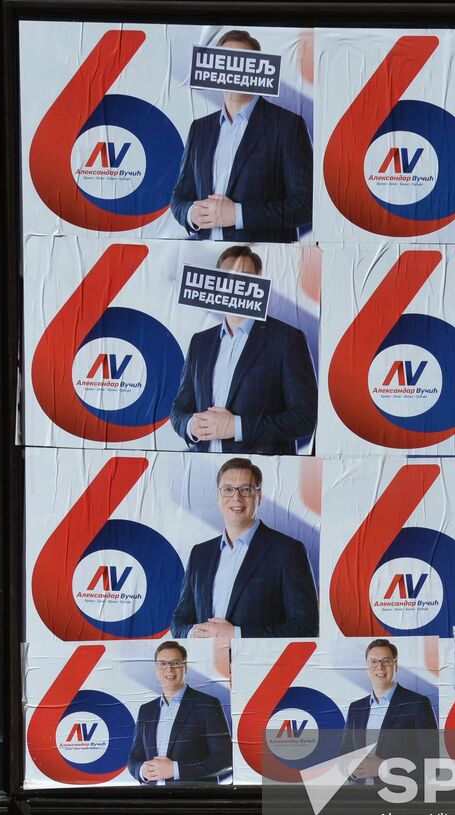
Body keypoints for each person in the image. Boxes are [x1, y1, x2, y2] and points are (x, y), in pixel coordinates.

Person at [168, 246, 317, 454]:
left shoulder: (287, 339)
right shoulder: (200, 342)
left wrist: (237, 427)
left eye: (245, 277)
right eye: (227, 276)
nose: (234, 284)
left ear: (259, 285)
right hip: (206, 466)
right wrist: (190, 426)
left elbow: (305, 419)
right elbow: (179, 408)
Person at [168, 30, 313, 242]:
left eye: (244, 62)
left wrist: (237, 214)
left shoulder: (287, 125)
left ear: (258, 70)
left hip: (263, 262)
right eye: (225, 61)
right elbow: (180, 196)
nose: (234, 69)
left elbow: (305, 204)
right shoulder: (200, 128)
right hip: (205, 257)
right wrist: (191, 213)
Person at [169, 457, 318, 638]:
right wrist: (194, 633)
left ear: (259, 496)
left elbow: (306, 627)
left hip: (260, 665)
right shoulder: (200, 554)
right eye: (228, 490)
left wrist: (237, 635)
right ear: (218, 496)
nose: (236, 497)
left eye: (245, 490)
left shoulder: (288, 551)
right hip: (206, 664)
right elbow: (179, 621)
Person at [125, 641, 232, 784]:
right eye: (163, 664)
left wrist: (176, 770)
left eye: (175, 663)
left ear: (185, 667)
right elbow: (134, 758)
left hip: (191, 801)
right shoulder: (146, 710)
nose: (169, 669)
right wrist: (141, 770)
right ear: (156, 669)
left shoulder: (207, 705)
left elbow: (225, 759)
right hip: (152, 801)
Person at [338, 639, 437, 785]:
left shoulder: (417, 704)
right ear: (367, 666)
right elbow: (345, 753)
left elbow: (432, 760)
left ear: (395, 665)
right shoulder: (356, 708)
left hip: (400, 799)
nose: (380, 667)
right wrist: (350, 769)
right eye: (373, 661)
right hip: (360, 800)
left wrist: (384, 768)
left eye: (386, 661)